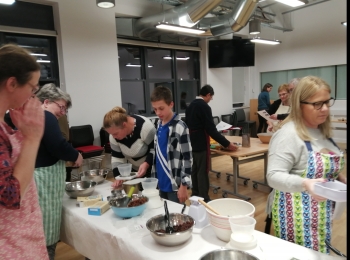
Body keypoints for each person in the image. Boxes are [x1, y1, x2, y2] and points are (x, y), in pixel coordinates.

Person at [266, 76, 346, 254]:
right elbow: (273, 175)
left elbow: (325, 167)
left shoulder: (321, 130)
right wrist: (305, 183)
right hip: (297, 218)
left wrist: (340, 177)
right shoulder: (288, 135)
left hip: (322, 214)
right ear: (299, 104)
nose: (324, 109)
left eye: (327, 102)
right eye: (317, 104)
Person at [0, 44, 48, 259]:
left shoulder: (5, 122)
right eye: (32, 88)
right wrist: (32, 137)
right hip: (8, 243)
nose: (33, 96)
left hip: (21, 233)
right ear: (12, 83)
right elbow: (10, 195)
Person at [34, 83, 83, 260]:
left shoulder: (34, 116)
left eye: (65, 109)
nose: (62, 112)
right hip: (42, 183)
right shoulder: (46, 116)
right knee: (46, 237)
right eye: (61, 107)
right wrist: (76, 155)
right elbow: (57, 145)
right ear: (46, 102)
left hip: (38, 180)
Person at [185, 85, 238, 202]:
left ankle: (195, 193)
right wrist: (227, 144)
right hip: (201, 143)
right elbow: (211, 130)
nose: (211, 99)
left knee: (195, 169)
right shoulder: (204, 107)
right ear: (208, 94)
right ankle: (204, 197)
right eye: (211, 97)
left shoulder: (190, 106)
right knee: (203, 171)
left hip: (191, 143)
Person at [150, 86, 192, 204]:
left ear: (171, 104)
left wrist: (184, 185)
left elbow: (188, 158)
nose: (158, 113)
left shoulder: (181, 127)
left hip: (175, 185)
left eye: (161, 108)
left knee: (176, 220)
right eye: (155, 109)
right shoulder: (158, 124)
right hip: (160, 183)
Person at [103, 106, 156, 187]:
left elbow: (155, 149)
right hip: (133, 172)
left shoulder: (145, 127)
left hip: (152, 170)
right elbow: (117, 157)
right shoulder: (114, 137)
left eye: (115, 133)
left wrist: (147, 163)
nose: (113, 137)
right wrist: (118, 177)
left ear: (124, 125)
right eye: (111, 134)